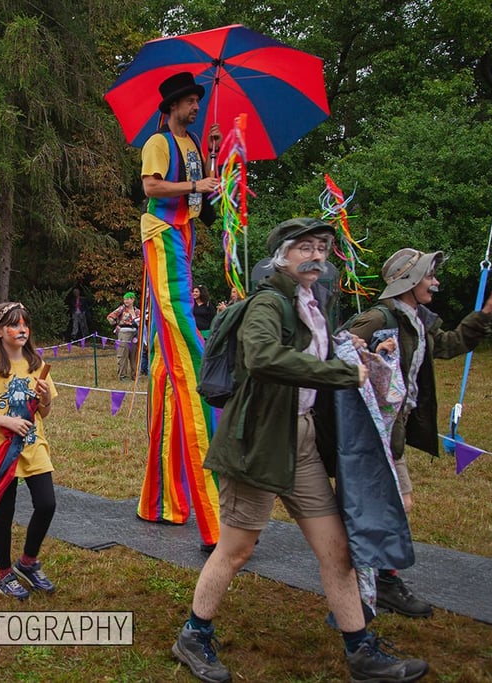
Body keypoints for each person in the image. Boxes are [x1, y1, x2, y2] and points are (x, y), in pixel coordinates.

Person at [171, 218, 428, 683]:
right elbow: (262, 357)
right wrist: (339, 374)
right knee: (236, 549)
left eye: (322, 248)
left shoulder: (312, 303)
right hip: (258, 441)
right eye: (304, 248)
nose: (316, 256)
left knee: (337, 550)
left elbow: (312, 354)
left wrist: (349, 349)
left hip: (303, 440)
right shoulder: (269, 302)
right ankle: (193, 633)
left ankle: (361, 651)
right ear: (281, 257)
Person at [349, 248, 492, 619]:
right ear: (408, 282)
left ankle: (375, 578)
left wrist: (483, 316)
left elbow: (450, 345)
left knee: (391, 505)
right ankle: (374, 580)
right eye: (428, 276)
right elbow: (339, 352)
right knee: (391, 505)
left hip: (394, 431)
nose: (435, 282)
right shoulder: (378, 318)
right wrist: (367, 354)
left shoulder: (420, 321)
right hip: (372, 431)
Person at [135, 72, 222, 542]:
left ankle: (162, 500)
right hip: (162, 235)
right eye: (190, 101)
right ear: (172, 105)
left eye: (196, 101)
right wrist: (193, 184)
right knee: (188, 351)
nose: (195, 106)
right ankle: (202, 507)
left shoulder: (193, 146)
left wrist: (211, 175)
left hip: (185, 238)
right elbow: (150, 189)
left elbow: (203, 203)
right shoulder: (159, 141)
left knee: (168, 378)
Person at [0, 302, 58, 601]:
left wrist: (45, 400)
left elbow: (44, 411)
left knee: (46, 504)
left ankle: (28, 562)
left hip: (34, 445)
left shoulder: (35, 363)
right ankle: (4, 573)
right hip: (3, 450)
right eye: (14, 325)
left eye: (25, 325)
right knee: (4, 513)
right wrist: (5, 420)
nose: (22, 330)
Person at [106, 292, 141, 380]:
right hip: (124, 333)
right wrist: (115, 324)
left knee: (134, 355)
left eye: (128, 299)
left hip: (135, 334)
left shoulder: (138, 311)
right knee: (123, 354)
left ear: (133, 299)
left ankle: (135, 375)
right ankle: (122, 375)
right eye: (125, 299)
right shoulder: (121, 309)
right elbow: (110, 317)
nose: (126, 301)